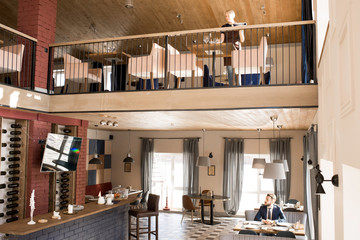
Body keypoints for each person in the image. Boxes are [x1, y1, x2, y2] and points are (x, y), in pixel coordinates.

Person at [220, 10, 245, 86]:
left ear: (232, 16)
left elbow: (242, 40)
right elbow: (222, 39)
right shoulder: (223, 27)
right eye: (225, 16)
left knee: (237, 70)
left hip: (236, 48)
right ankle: (232, 87)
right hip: (227, 49)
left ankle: (239, 87)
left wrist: (240, 31)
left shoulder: (239, 25)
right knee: (230, 70)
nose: (226, 17)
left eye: (228, 15)